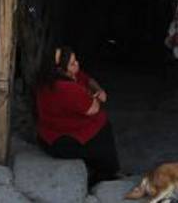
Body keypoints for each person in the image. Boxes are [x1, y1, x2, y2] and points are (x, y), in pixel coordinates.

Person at [35, 46, 120, 185]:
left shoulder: (48, 78)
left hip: (46, 135)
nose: (77, 64)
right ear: (61, 69)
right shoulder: (67, 88)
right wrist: (97, 96)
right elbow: (93, 108)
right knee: (102, 124)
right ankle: (105, 174)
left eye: (75, 60)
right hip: (61, 143)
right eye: (72, 63)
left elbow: (86, 78)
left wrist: (97, 89)